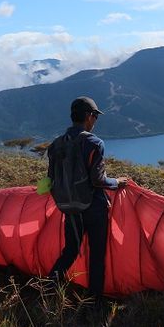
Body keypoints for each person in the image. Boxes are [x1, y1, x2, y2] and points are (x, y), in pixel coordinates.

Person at [47, 96, 127, 302]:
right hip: (93, 208)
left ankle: (46, 288)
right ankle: (94, 303)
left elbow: (50, 179)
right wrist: (117, 182)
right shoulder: (93, 143)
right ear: (89, 117)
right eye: (95, 117)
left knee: (71, 250)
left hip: (69, 208)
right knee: (97, 256)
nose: (95, 121)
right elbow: (98, 180)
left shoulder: (55, 145)